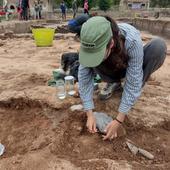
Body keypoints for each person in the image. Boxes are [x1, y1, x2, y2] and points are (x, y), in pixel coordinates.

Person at [78, 16, 167, 140]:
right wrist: (89, 114)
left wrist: (118, 121)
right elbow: (84, 78)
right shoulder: (89, 41)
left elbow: (134, 77)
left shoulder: (132, 40)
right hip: (109, 70)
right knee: (91, 61)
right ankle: (113, 82)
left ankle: (131, 91)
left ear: (111, 44)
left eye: (98, 54)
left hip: (127, 67)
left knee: (158, 46)